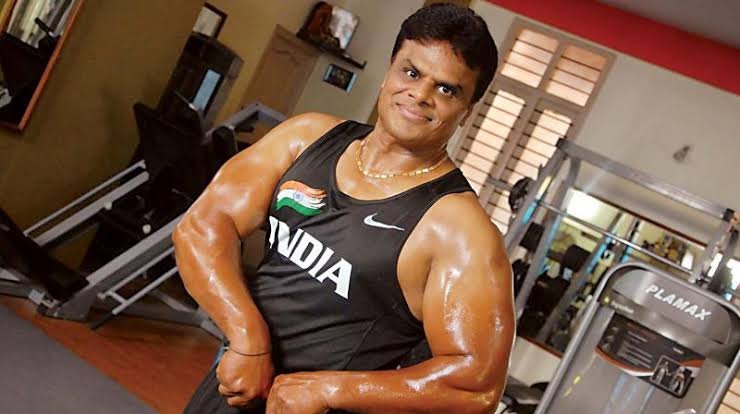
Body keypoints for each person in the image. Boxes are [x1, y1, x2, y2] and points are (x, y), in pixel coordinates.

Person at [174, 4, 514, 413]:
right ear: (389, 70)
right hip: (232, 385)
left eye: (446, 90)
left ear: (467, 110)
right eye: (411, 73)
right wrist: (248, 338)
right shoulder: (308, 138)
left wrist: (327, 390)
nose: (420, 95)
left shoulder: (459, 229)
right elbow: (204, 226)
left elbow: (475, 385)